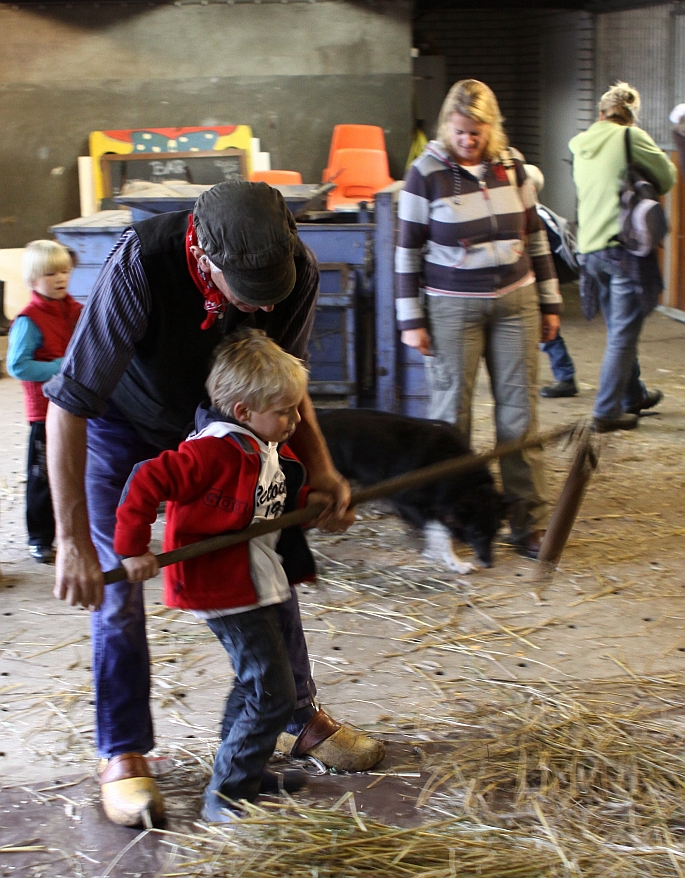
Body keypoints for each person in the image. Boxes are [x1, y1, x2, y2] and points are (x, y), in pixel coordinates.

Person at [44, 180, 384, 829]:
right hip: (127, 423)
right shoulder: (141, 262)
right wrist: (70, 540)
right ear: (203, 258)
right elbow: (71, 402)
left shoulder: (296, 272)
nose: (261, 305)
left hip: (233, 421)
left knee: (268, 553)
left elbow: (289, 385)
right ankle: (123, 751)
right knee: (118, 585)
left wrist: (321, 471)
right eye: (247, 291)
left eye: (271, 291)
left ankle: (296, 712)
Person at [115, 330, 327, 823]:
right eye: (285, 411)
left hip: (256, 577)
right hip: (222, 586)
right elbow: (146, 479)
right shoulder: (212, 451)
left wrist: (312, 501)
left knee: (256, 683)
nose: (296, 421)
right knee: (273, 693)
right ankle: (227, 795)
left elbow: (275, 493)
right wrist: (132, 547)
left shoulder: (266, 441)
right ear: (242, 409)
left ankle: (243, 772)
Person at [395, 79, 562, 561]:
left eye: (479, 131)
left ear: (493, 128)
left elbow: (536, 240)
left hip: (516, 301)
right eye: (462, 130)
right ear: (448, 124)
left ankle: (525, 518)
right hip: (450, 306)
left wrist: (550, 303)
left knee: (520, 413)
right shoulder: (424, 173)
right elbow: (407, 252)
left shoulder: (513, 169)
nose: (470, 139)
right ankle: (449, 520)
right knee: (451, 420)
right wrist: (412, 318)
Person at [569, 82, 676, 433]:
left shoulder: (581, 144)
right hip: (622, 250)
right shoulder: (630, 137)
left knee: (619, 327)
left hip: (588, 252)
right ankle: (606, 410)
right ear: (630, 116)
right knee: (623, 335)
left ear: (600, 113)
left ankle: (634, 395)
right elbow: (668, 177)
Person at [7, 240, 82, 564]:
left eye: (64, 271)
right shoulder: (29, 319)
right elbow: (18, 365)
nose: (60, 278)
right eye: (50, 273)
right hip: (45, 413)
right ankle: (40, 537)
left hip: (78, 408)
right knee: (43, 477)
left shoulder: (77, 309)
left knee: (81, 470)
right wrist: (62, 366)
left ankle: (84, 530)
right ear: (33, 279)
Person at [523, 164, 579, 400]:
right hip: (533, 278)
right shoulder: (539, 212)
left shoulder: (536, 215)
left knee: (545, 331)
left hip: (536, 280)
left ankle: (565, 376)